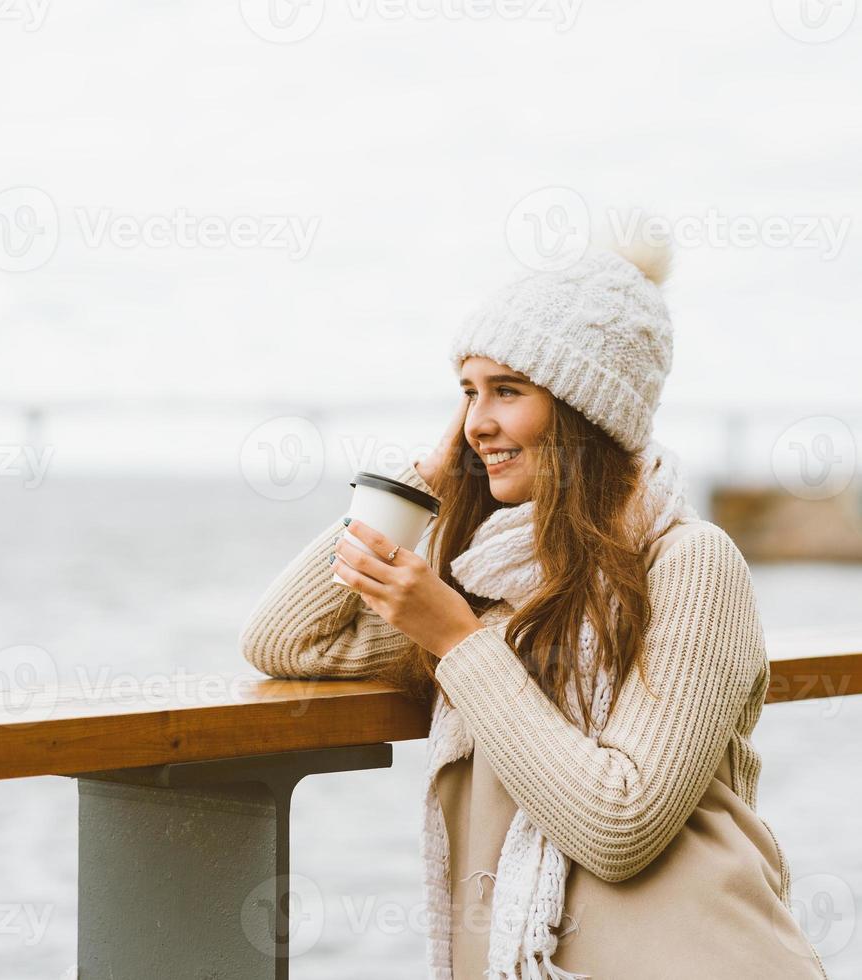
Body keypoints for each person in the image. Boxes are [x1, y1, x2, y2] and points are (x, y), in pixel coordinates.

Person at [238, 236, 829, 979]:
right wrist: (426, 477)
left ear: (586, 411)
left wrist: (457, 643)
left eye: (507, 391)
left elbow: (622, 825)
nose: (477, 422)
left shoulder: (690, 564)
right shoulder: (489, 586)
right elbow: (287, 641)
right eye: (466, 392)